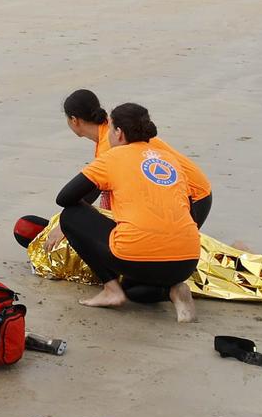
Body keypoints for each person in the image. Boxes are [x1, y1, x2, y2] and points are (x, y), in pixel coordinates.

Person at [53, 103, 212, 322]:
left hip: (137, 256)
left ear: (119, 133)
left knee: (70, 215)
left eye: (111, 129)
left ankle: (111, 290)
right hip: (186, 261)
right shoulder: (170, 159)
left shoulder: (112, 157)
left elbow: (64, 198)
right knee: (133, 288)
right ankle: (173, 290)